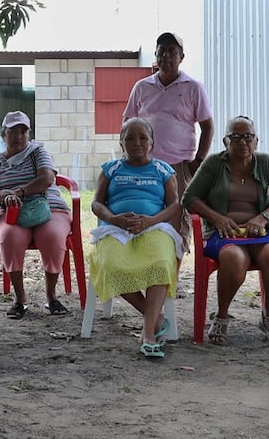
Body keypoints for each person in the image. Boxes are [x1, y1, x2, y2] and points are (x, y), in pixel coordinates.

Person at [182, 115, 269, 344]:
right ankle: (221, 316)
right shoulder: (214, 163)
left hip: (260, 233)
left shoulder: (265, 163)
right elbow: (189, 197)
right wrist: (217, 218)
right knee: (234, 258)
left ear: (256, 140)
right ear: (225, 141)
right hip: (223, 235)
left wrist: (263, 218)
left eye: (247, 137)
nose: (242, 142)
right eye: (236, 137)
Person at [88, 118, 182, 358]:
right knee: (110, 266)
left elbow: (175, 205)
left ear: (152, 142)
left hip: (154, 227)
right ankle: (157, 319)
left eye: (143, 137)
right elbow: (97, 203)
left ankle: (148, 332)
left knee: (161, 263)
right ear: (121, 142)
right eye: (129, 137)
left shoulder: (163, 170)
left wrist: (150, 221)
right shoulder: (111, 169)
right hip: (115, 228)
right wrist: (114, 218)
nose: (136, 142)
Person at [123, 32, 213, 255]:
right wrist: (129, 158)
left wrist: (198, 161)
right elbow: (127, 124)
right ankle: (148, 267)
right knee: (145, 216)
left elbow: (208, 127)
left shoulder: (193, 87)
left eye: (172, 52)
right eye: (162, 51)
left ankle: (171, 279)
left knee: (178, 219)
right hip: (144, 167)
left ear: (182, 56)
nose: (166, 56)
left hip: (179, 166)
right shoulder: (141, 87)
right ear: (155, 55)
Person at [0, 110, 72, 319]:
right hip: (13, 212)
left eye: (23, 131)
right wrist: (2, 196)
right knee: (9, 237)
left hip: (49, 207)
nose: (19, 136)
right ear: (4, 135)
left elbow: (47, 179)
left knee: (53, 236)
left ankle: (51, 297)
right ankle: (20, 299)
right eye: (13, 131)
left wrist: (19, 191)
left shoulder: (37, 152)